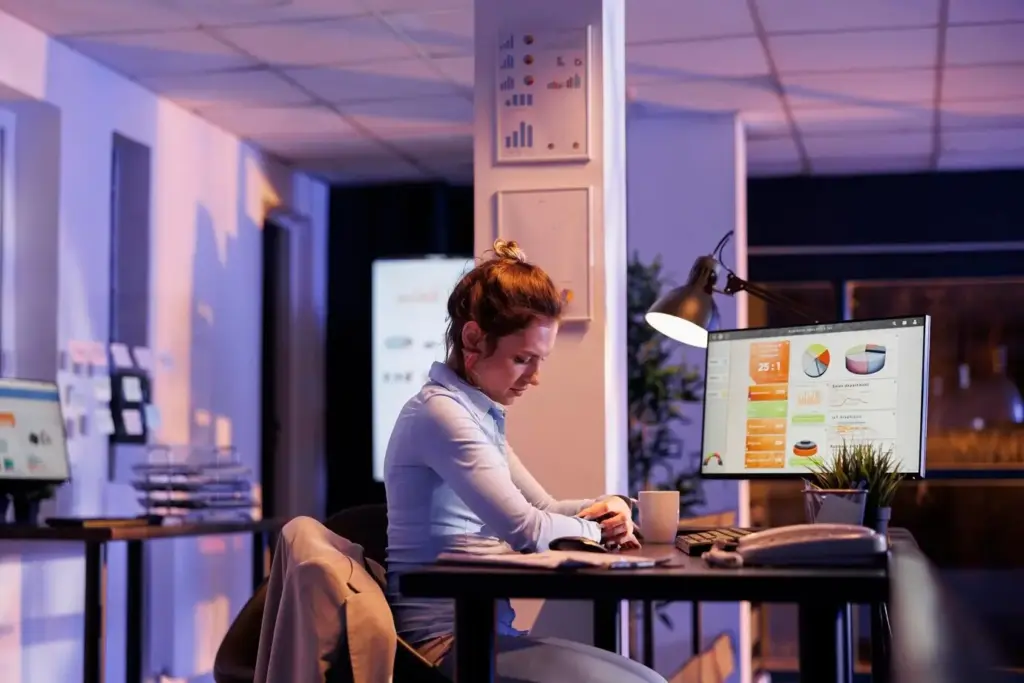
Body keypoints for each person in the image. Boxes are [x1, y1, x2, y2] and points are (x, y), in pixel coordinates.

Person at [384, 240, 666, 682]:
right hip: (444, 648)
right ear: (473, 338)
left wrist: (611, 506)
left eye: (539, 361)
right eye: (522, 359)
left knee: (651, 680)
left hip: (487, 634)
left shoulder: (475, 414)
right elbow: (527, 529)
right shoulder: (441, 414)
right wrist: (601, 530)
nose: (534, 378)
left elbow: (546, 509)